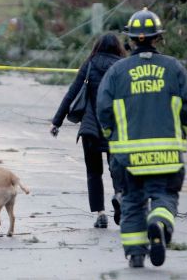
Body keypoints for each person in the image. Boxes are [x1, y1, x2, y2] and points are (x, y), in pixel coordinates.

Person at [96, 8, 187, 269]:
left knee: (131, 202)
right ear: (157, 38)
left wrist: (112, 138)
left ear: (129, 40)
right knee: (164, 196)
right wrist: (180, 134)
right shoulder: (174, 69)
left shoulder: (117, 72)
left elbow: (103, 110)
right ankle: (160, 223)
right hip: (167, 155)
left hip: (128, 158)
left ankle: (136, 254)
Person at [49, 33, 126, 228]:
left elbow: (72, 93)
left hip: (90, 127)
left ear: (98, 46)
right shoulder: (122, 66)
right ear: (117, 47)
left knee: (94, 172)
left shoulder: (90, 64)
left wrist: (56, 121)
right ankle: (120, 196)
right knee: (116, 168)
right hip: (115, 127)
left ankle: (100, 213)